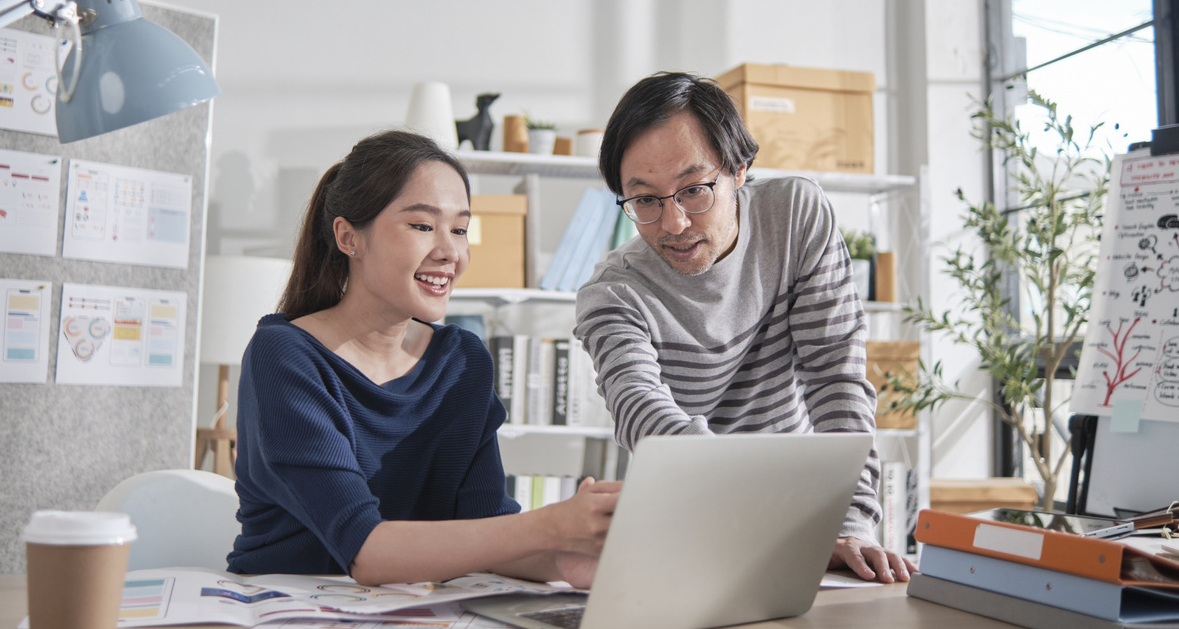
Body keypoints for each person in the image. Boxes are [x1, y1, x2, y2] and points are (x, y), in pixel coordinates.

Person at [227, 129, 620, 586]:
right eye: (422, 226)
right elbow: (365, 551)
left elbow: (486, 525)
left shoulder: (461, 362)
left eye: (459, 229)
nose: (450, 251)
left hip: (405, 611)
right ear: (349, 237)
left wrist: (561, 560)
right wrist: (549, 526)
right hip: (283, 610)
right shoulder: (285, 358)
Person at [574, 72, 918, 583]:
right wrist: (752, 515)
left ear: (739, 169)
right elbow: (640, 409)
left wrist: (851, 525)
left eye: (693, 190)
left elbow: (835, 378)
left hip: (807, 515)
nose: (674, 224)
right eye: (645, 200)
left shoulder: (796, 216)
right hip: (687, 523)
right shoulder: (613, 291)